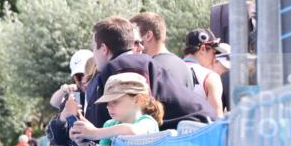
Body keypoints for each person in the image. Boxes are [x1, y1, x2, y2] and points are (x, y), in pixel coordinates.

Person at [83, 16, 214, 130]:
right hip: (200, 125)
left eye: (94, 47)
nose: (93, 53)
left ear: (104, 49)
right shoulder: (135, 63)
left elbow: (99, 125)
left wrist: (85, 130)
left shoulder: (121, 68)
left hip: (195, 131)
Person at [71, 73, 163, 146]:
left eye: (115, 101)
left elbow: (133, 131)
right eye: (107, 102)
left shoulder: (148, 122)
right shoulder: (109, 126)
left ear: (138, 100)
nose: (108, 106)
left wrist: (94, 133)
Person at [131, 12, 195, 90]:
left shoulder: (151, 69)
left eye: (135, 40)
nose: (132, 45)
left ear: (148, 36)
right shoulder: (184, 66)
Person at [182, 28, 225, 119]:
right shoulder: (211, 77)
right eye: (213, 53)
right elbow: (217, 120)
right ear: (202, 49)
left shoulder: (168, 70)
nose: (215, 58)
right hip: (200, 127)